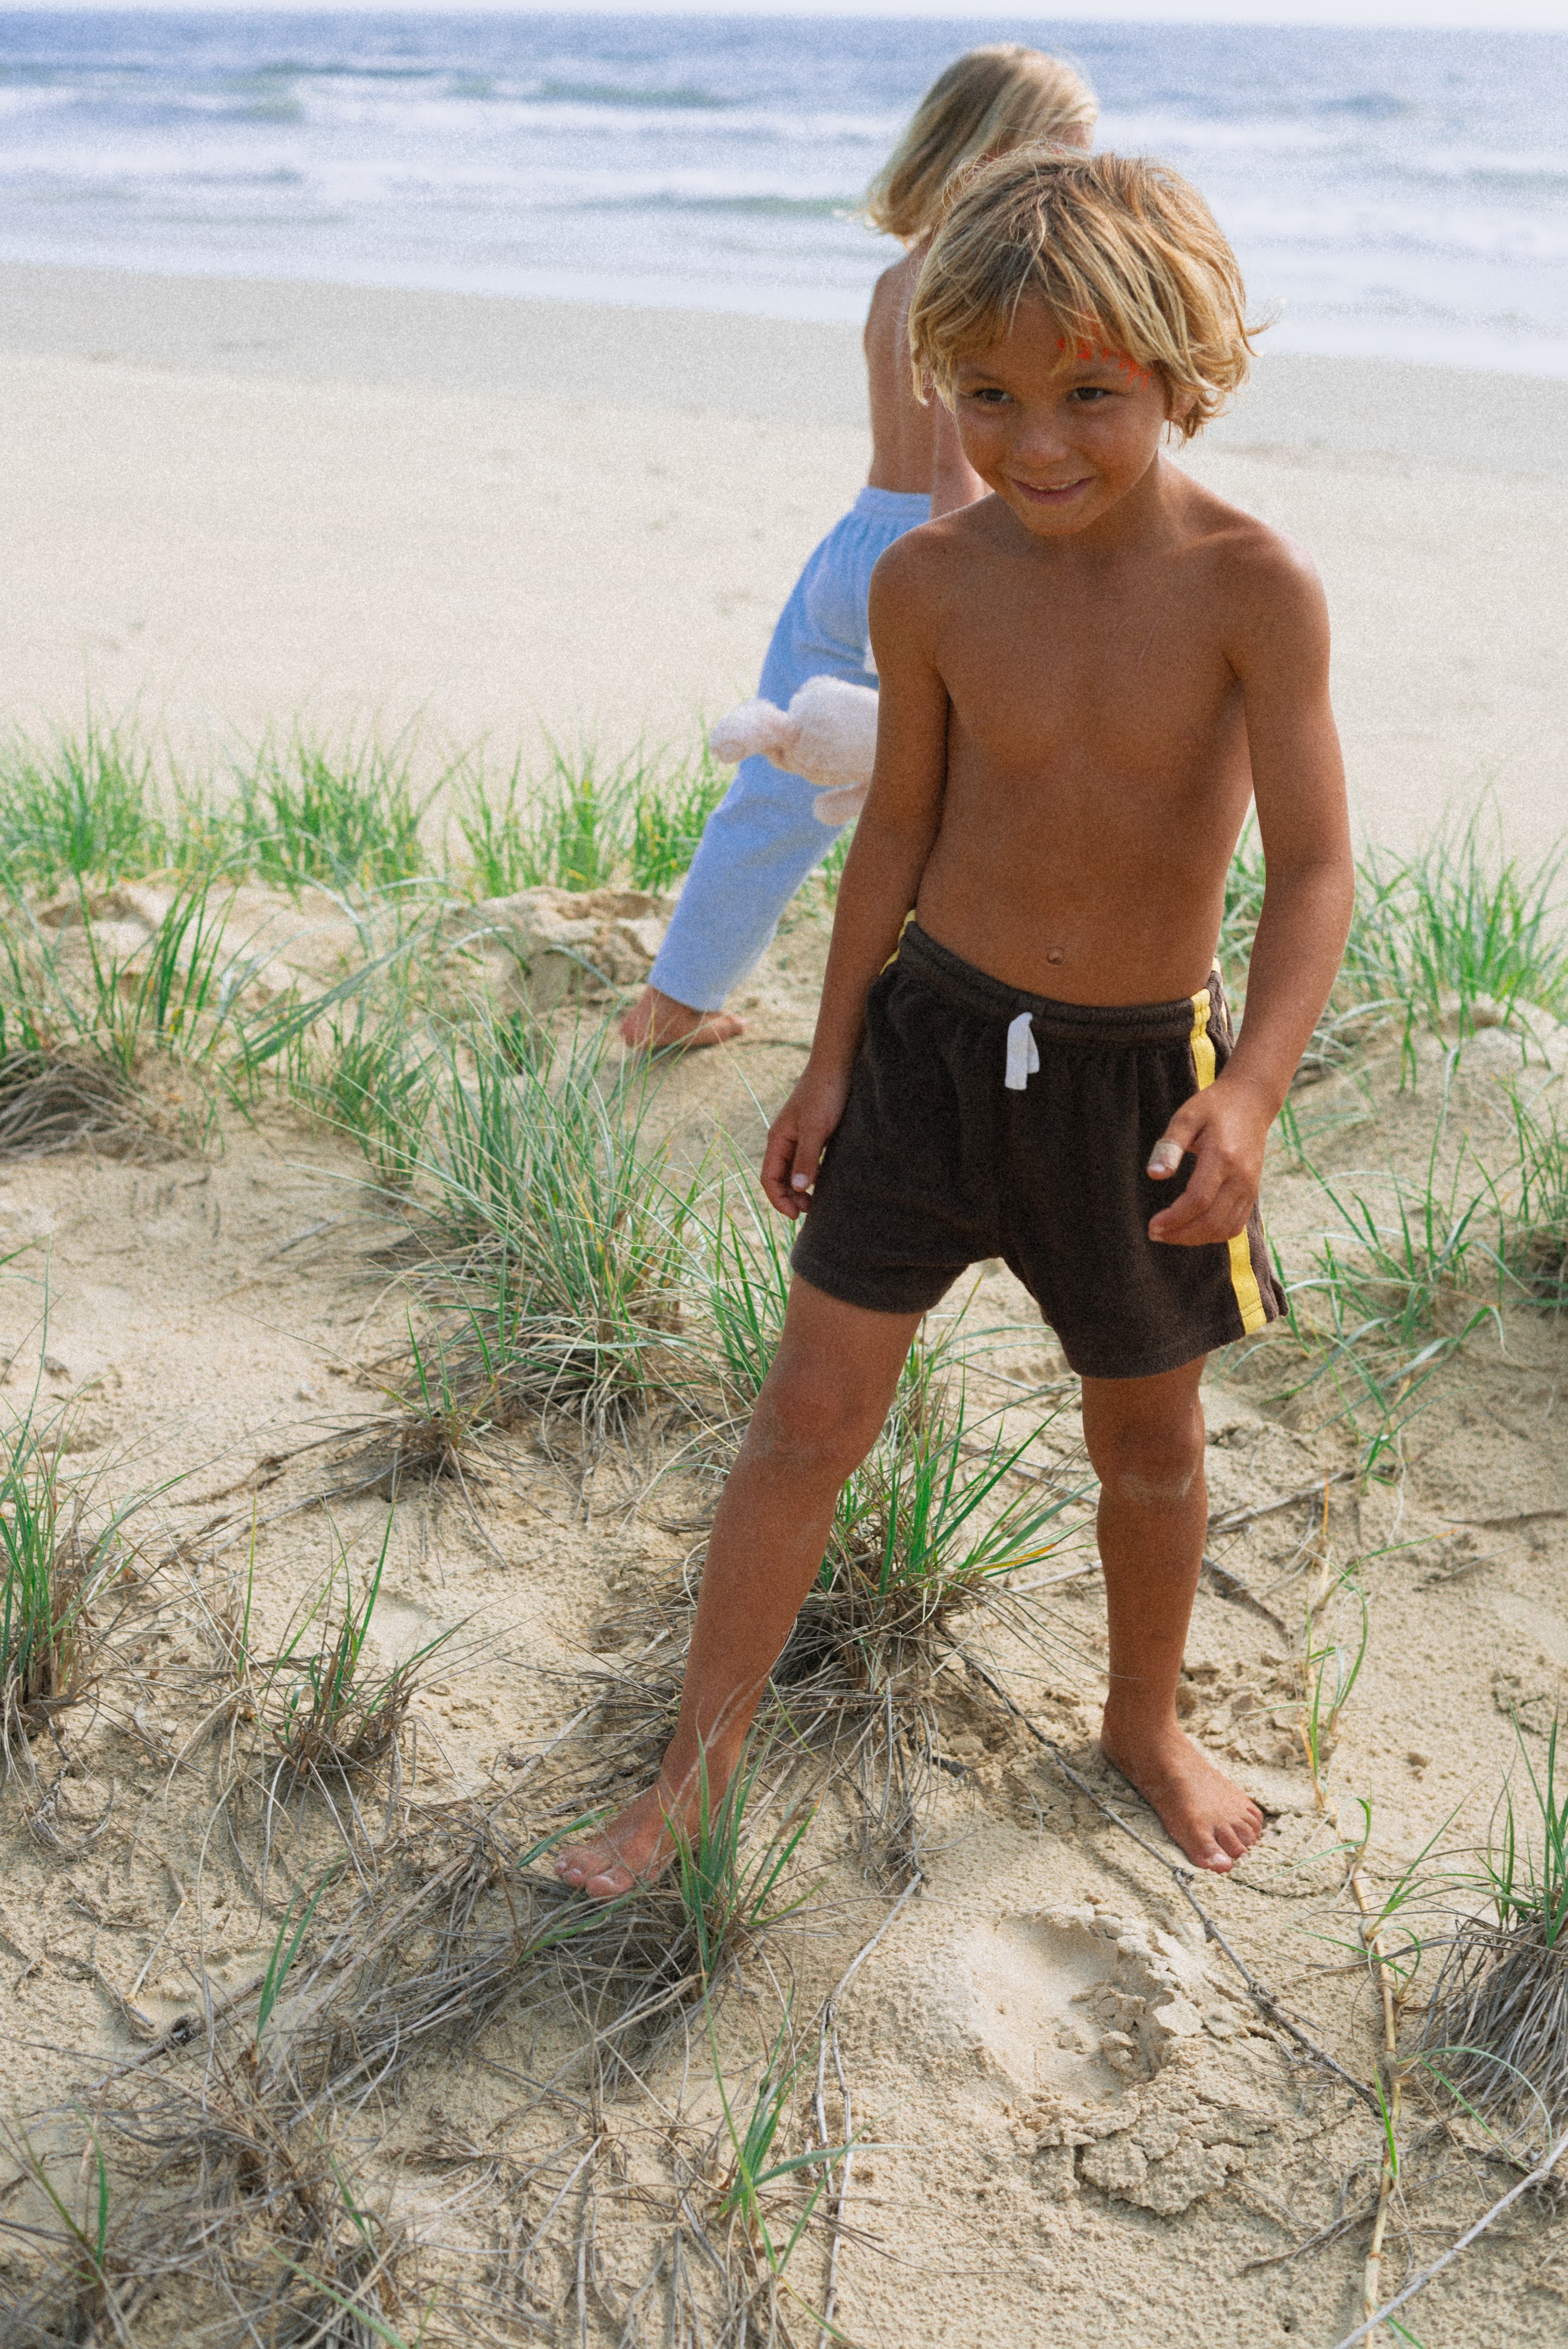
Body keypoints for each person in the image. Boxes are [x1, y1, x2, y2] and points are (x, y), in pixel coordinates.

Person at [561, 147, 1354, 1897]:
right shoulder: (927, 582)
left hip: (1138, 1079)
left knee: (1146, 1448)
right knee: (802, 1423)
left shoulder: (1250, 588)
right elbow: (894, 837)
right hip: (930, 1048)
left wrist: (1252, 1101)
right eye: (985, 394)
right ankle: (690, 1779)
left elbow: (1310, 874)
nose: (1035, 440)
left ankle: (1141, 1722)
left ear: (1181, 370)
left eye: (1087, 393)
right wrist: (832, 1057)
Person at [620, 44, 1098, 1051]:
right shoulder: (973, 285)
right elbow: (952, 465)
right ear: (1001, 160)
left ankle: (674, 998)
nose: (1077, 190)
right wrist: (991, 577)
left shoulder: (893, 277)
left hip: (851, 543)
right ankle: (959, 1005)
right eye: (1064, 167)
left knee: (774, 785)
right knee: (949, 793)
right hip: (929, 544)